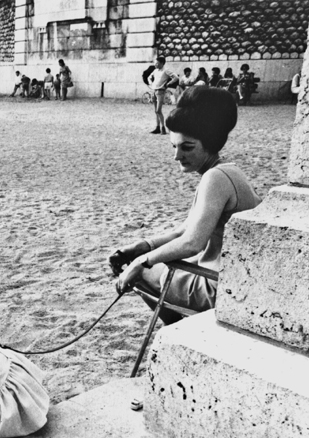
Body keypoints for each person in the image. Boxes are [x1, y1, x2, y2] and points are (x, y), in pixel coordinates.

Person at [109, 86, 261, 324]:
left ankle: (174, 328)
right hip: (234, 279)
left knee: (138, 272)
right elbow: (183, 231)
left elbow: (192, 243)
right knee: (144, 263)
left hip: (220, 287)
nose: (177, 156)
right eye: (174, 146)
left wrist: (140, 261)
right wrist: (141, 247)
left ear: (210, 143)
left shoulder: (216, 178)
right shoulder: (227, 171)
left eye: (187, 147)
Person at [148, 56, 179, 135]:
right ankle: (157, 127)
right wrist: (151, 84)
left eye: (157, 63)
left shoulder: (166, 70)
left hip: (160, 91)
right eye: (155, 63)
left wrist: (168, 84)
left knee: (158, 110)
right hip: (154, 90)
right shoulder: (155, 70)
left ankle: (163, 128)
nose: (155, 64)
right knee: (156, 111)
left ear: (162, 63)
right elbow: (149, 77)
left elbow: (176, 77)